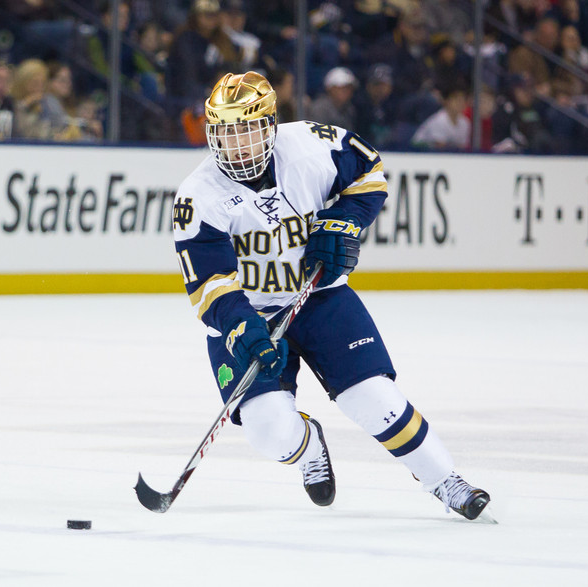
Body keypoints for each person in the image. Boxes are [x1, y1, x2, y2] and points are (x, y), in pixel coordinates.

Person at [170, 70, 491, 520]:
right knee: (269, 431)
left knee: (374, 398)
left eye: (246, 130)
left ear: (269, 125)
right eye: (225, 133)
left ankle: (443, 479)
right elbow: (210, 284)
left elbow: (369, 170)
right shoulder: (198, 197)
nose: (236, 145)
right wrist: (242, 327)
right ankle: (308, 449)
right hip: (251, 316)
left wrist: (344, 221)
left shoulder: (310, 146)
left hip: (321, 299)